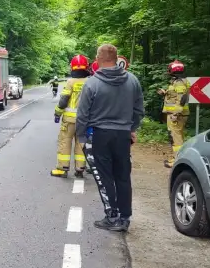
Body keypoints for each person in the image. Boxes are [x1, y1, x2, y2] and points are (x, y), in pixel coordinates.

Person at [76, 44, 144, 232]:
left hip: (100, 135)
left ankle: (111, 215)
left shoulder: (92, 83)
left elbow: (83, 114)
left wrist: (81, 136)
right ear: (116, 59)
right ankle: (124, 218)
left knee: (105, 176)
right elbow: (139, 110)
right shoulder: (132, 81)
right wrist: (132, 128)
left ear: (98, 59)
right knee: (123, 176)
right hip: (122, 135)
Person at [51, 55, 90, 178]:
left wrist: (57, 113)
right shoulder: (90, 82)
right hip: (84, 121)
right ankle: (80, 169)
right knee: (81, 144)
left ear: (72, 67)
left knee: (65, 142)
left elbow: (63, 100)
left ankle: (62, 169)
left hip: (69, 120)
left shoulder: (70, 82)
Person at [157, 60, 190, 168]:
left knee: (176, 138)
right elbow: (176, 95)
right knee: (177, 137)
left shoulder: (179, 82)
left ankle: (177, 160)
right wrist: (165, 93)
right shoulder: (178, 81)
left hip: (176, 115)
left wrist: (176, 113)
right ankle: (177, 157)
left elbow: (182, 98)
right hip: (177, 114)